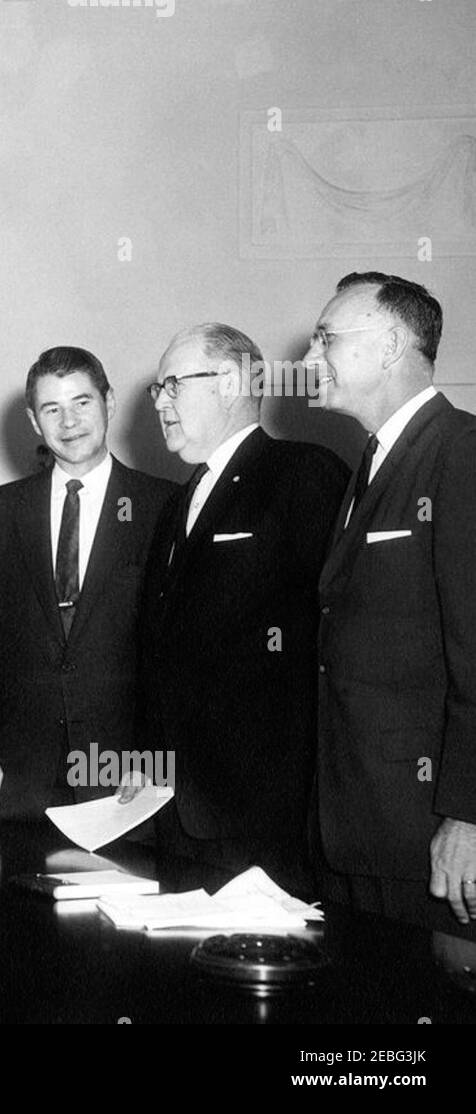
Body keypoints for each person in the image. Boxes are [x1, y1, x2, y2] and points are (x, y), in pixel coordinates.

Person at [138, 323, 348, 893]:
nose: (161, 403)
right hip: (176, 814)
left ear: (230, 381)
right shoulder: (175, 501)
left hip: (265, 817)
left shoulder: (303, 473)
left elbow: (332, 642)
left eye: (173, 385)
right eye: (157, 391)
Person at [307, 272, 476, 932]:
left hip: (427, 837)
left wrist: (468, 814)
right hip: (355, 828)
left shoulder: (460, 452)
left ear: (391, 345)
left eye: (328, 339)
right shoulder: (370, 463)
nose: (310, 359)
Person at [0, 347, 174, 821]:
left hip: (124, 771)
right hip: (15, 772)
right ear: (34, 420)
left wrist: (152, 749)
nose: (68, 421)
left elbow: (175, 648)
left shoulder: (163, 506)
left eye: (82, 403)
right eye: (52, 409)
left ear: (109, 403)